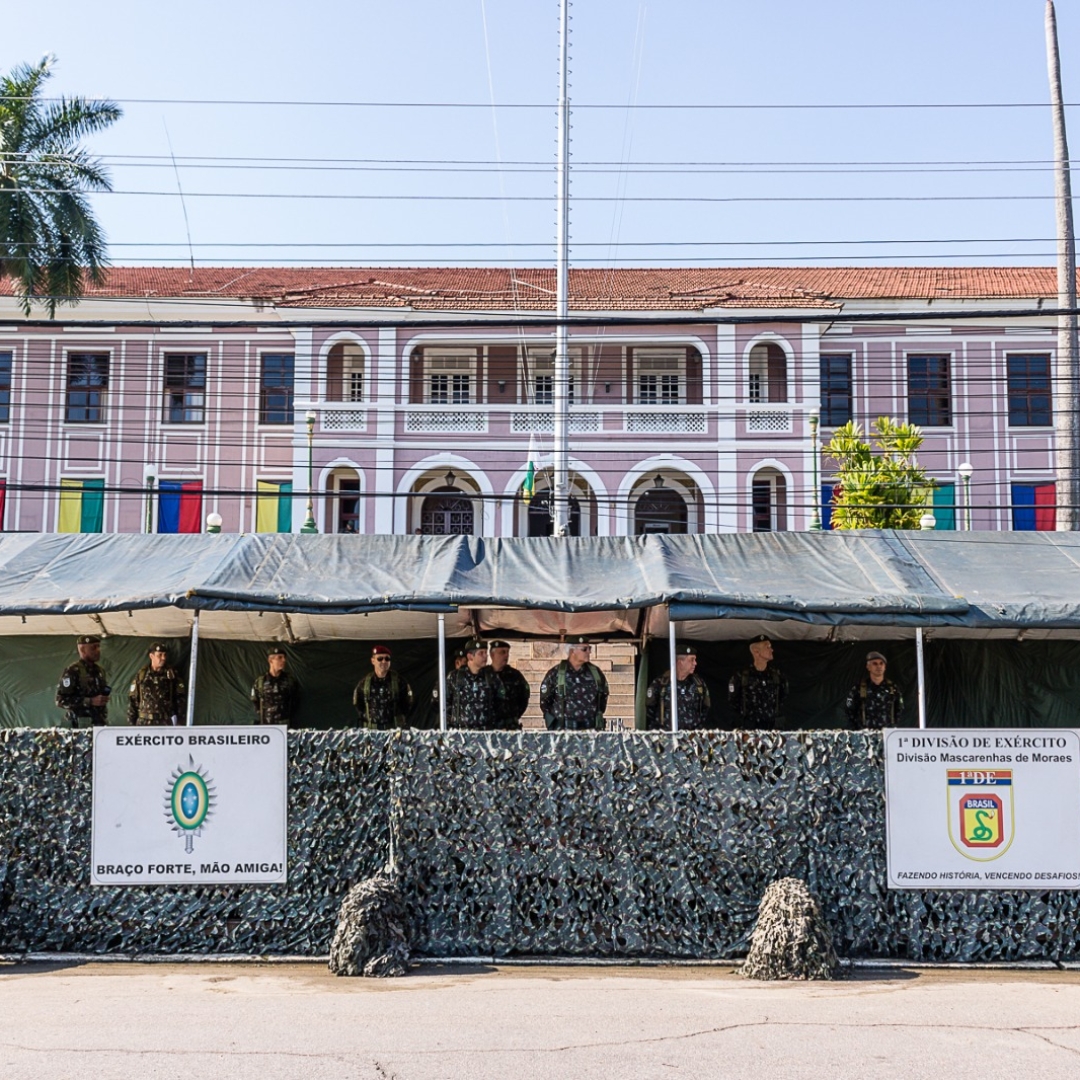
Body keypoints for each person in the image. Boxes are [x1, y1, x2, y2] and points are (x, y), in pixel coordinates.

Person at [540, 637, 609, 731]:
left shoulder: (596, 674)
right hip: (563, 734)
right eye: (584, 649)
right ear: (572, 651)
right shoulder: (555, 674)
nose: (589, 652)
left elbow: (602, 698)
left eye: (590, 648)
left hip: (590, 735)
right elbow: (545, 702)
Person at [446, 639, 511, 730]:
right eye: (481, 653)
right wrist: (452, 724)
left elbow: (501, 703)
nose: (485, 656)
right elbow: (443, 704)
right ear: (470, 656)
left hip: (486, 735)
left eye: (486, 653)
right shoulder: (455, 677)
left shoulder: (491, 677)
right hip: (461, 734)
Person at [646, 643, 711, 731]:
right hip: (666, 739)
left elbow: (705, 708)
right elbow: (650, 710)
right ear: (680, 662)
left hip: (691, 739)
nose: (695, 663)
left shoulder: (698, 684)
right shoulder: (660, 684)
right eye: (691, 660)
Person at [728, 634, 788, 729]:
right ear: (756, 652)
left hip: (772, 729)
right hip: (750, 729)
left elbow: (782, 697)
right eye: (767, 647)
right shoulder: (741, 677)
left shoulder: (777, 675)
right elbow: (734, 702)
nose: (771, 650)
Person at [353, 645, 415, 730]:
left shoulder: (399, 681)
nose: (384, 661)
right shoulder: (364, 683)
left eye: (387, 659)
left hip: (394, 731)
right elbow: (358, 704)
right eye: (380, 658)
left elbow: (408, 703)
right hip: (372, 732)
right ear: (373, 661)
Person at [55, 634, 111, 728]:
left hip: (99, 724)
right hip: (79, 727)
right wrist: (89, 701)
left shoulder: (100, 671)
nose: (98, 650)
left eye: (98, 647)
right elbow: (61, 700)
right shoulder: (73, 671)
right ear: (82, 649)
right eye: (94, 647)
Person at [128, 642, 187, 726]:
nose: (163, 658)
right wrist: (131, 724)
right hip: (144, 723)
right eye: (159, 655)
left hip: (165, 722)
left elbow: (180, 699)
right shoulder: (142, 675)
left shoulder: (172, 674)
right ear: (151, 656)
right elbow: (133, 699)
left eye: (165, 655)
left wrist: (180, 721)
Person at [845, 650, 905, 729]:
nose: (879, 666)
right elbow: (849, 710)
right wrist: (858, 727)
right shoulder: (858, 688)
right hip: (865, 735)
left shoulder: (893, 688)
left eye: (881, 663)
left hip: (887, 734)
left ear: (885, 667)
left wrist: (892, 726)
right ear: (868, 667)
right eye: (875, 664)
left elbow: (899, 709)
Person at [250, 645, 299, 726]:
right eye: (279, 657)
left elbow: (295, 700)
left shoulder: (290, 681)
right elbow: (255, 701)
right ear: (270, 660)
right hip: (266, 726)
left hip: (284, 725)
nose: (283, 660)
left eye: (284, 658)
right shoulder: (260, 682)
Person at [488, 639, 530, 727]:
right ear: (492, 655)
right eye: (502, 652)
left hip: (510, 726)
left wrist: (513, 715)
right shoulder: (484, 674)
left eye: (507, 652)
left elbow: (524, 697)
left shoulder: (515, 675)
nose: (506, 655)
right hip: (489, 726)